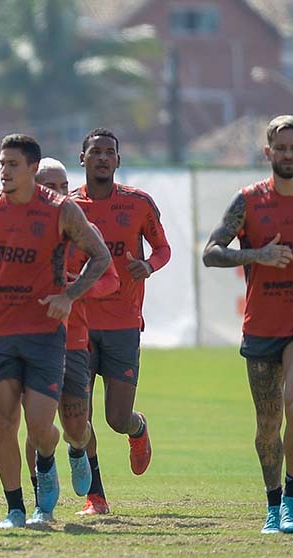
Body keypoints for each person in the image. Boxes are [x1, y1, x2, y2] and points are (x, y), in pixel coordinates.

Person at [0, 134, 110, 529]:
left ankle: (47, 459)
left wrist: (70, 295)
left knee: (42, 428)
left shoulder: (61, 210)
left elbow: (101, 256)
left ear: (32, 169)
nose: (4, 171)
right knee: (5, 422)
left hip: (45, 334)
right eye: (1, 164)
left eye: (12, 165)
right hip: (0, 333)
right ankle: (15, 509)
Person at [202, 115, 293, 534]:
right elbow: (211, 252)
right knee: (268, 425)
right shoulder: (248, 201)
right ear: (268, 152)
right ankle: (272, 504)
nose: (287, 154)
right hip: (262, 325)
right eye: (280, 148)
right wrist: (257, 255)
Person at [72, 128, 171, 515]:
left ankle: (137, 427)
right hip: (80, 325)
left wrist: (149, 265)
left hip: (123, 324)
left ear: (118, 160)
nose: (101, 157)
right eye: (95, 151)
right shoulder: (69, 208)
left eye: (108, 152)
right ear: (82, 158)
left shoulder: (138, 203)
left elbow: (162, 248)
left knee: (115, 418)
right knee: (79, 416)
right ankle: (95, 496)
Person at [22, 158, 118, 524]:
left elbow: (111, 279)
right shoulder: (20, 227)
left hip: (74, 340)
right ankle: (40, 502)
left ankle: (77, 450)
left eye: (64, 186)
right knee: (36, 424)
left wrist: (79, 288)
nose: (61, 193)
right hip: (31, 340)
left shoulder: (83, 229)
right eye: (52, 186)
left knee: (77, 428)